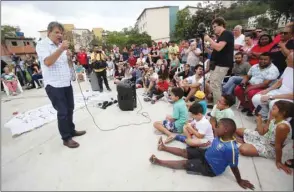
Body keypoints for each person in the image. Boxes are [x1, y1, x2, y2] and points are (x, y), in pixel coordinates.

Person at [150, 118, 255, 191]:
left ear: (226, 130)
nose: (215, 128)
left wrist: (239, 180)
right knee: (184, 152)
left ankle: (159, 162)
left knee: (184, 163)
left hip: (210, 167)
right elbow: (214, 128)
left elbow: (234, 166)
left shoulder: (231, 148)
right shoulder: (221, 135)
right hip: (206, 154)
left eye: (218, 127)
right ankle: (163, 147)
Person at [36, 21, 86, 148]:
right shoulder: (42, 45)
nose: (59, 35)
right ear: (49, 33)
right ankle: (66, 138)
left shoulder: (61, 47)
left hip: (66, 83)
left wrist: (68, 57)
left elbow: (66, 65)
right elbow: (48, 62)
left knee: (70, 108)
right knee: (62, 111)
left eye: (61, 33)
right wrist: (61, 49)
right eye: (56, 32)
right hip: (54, 85)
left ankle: (71, 130)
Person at [236, 100, 293, 175]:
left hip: (271, 147)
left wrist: (278, 161)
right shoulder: (273, 118)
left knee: (243, 149)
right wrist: (259, 121)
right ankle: (247, 141)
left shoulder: (282, 126)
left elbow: (278, 146)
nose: (271, 110)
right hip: (264, 138)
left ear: (283, 112)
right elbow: (262, 132)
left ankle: (247, 142)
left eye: (274, 108)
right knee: (238, 130)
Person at [252, 48, 293, 120]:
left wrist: (272, 97)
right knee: (257, 98)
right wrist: (267, 90)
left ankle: (272, 124)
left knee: (274, 104)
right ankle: (263, 118)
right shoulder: (288, 68)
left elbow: (292, 95)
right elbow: (279, 82)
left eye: (288, 59)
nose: (285, 60)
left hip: (288, 98)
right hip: (279, 92)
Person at [204, 17, 234, 105]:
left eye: (215, 26)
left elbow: (219, 47)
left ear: (221, 25)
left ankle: (218, 106)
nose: (214, 29)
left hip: (222, 64)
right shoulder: (221, 36)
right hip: (217, 64)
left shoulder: (226, 33)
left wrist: (209, 39)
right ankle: (216, 103)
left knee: (215, 85)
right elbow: (215, 50)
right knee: (214, 84)